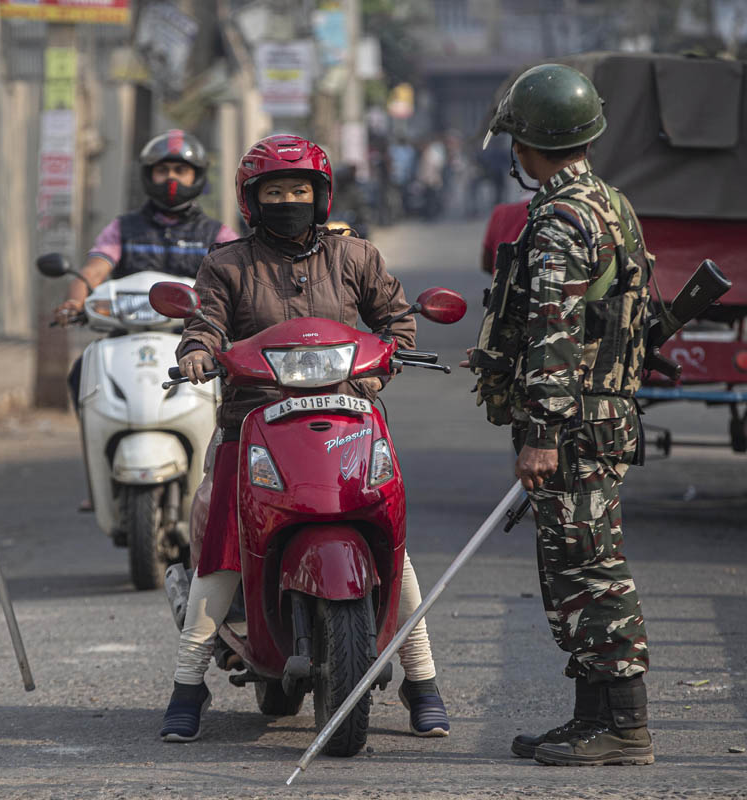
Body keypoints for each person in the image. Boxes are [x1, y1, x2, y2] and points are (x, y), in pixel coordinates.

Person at [159, 134, 450, 743]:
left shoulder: (357, 257)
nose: (288, 199)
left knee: (393, 550)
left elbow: (394, 317)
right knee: (222, 555)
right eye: (275, 191)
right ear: (252, 199)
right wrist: (197, 351)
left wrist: (394, 353)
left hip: (347, 419)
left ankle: (422, 681)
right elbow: (205, 319)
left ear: (320, 197)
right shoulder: (227, 264)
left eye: (299, 190)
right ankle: (188, 686)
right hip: (255, 420)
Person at [468, 64, 654, 766]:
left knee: (592, 573)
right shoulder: (611, 202)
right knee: (576, 569)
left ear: (528, 146)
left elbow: (556, 327)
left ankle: (625, 727)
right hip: (602, 412)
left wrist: (542, 434)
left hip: (573, 424)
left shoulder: (559, 216)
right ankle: (592, 720)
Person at [53, 130, 238, 411]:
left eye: (180, 170)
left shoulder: (218, 233)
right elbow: (93, 271)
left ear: (196, 176)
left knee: (234, 385)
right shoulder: (122, 228)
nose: (171, 178)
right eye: (162, 170)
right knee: (82, 373)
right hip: (127, 333)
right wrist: (74, 302)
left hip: (194, 337)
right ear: (148, 175)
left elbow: (240, 279)